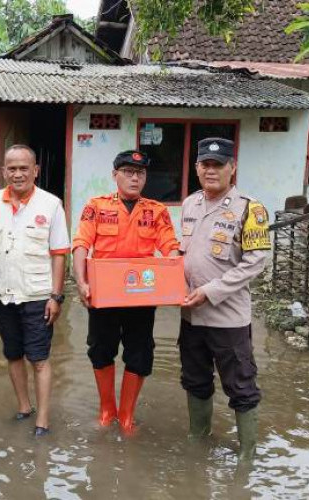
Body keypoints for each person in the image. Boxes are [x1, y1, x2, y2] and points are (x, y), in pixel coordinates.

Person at [72, 150, 179, 434]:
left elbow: (170, 246)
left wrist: (176, 273)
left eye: (140, 173)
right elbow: (81, 244)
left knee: (140, 353)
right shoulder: (96, 206)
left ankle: (127, 414)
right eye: (128, 172)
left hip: (142, 294)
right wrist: (81, 282)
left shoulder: (156, 210)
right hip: (104, 295)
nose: (135, 177)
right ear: (115, 174)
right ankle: (107, 409)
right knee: (100, 349)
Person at [179, 137, 269, 461]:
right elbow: (183, 255)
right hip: (191, 316)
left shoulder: (250, 208)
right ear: (197, 168)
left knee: (241, 387)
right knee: (195, 379)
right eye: (205, 164)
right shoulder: (190, 204)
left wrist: (211, 291)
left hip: (228, 318)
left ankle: (247, 455)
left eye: (219, 164)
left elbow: (256, 261)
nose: (211, 170)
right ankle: (197, 438)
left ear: (233, 168)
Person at [0, 144, 69, 436]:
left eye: (24, 168)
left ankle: (42, 419)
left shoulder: (51, 204)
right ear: (4, 170)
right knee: (13, 354)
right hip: (2, 293)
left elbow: (59, 254)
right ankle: (23, 407)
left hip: (37, 295)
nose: (18, 174)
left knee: (39, 359)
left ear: (35, 171)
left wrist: (56, 297)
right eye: (12, 168)